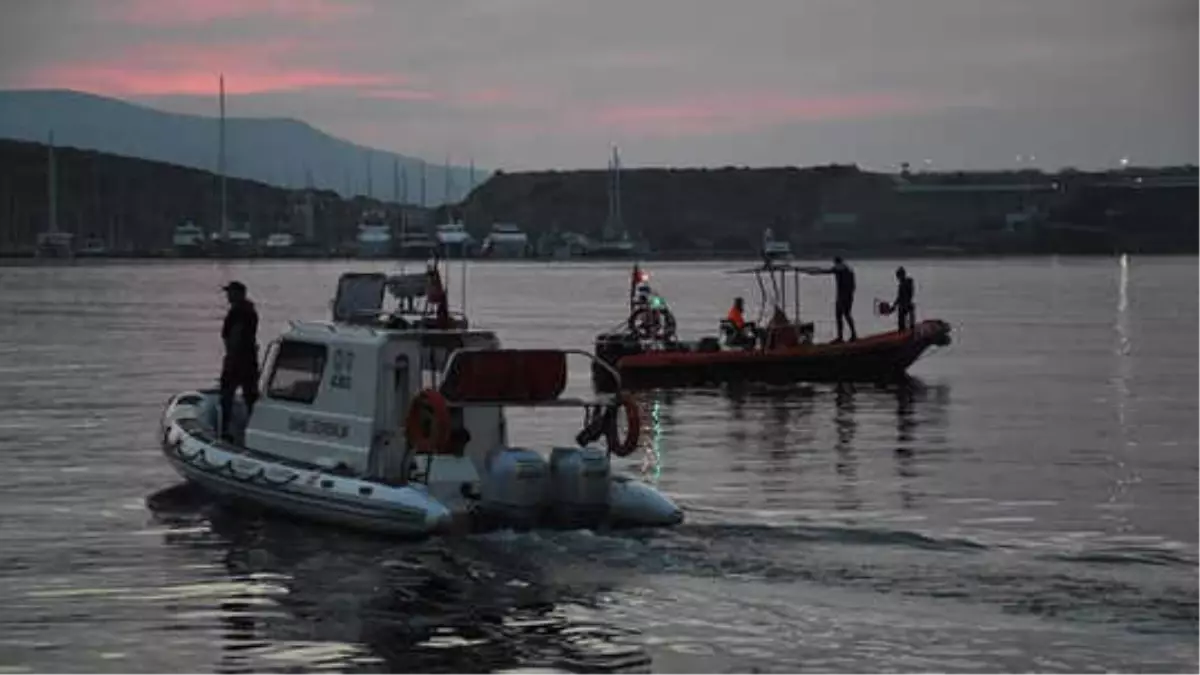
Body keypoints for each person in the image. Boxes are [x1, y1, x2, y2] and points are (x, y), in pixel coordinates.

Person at [219, 281, 260, 441]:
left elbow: (235, 336)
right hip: (250, 358)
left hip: (238, 360)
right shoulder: (250, 310)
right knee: (250, 395)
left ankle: (225, 431)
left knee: (227, 395)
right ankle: (253, 428)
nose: (227, 296)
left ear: (239, 293)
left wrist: (231, 358)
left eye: (230, 292)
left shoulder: (238, 312)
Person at [818, 257, 857, 342]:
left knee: (843, 315)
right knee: (842, 315)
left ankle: (847, 335)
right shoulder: (849, 269)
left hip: (843, 297)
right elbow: (853, 286)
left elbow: (827, 271)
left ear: (837, 262)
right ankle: (846, 335)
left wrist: (816, 272)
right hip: (847, 296)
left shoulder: (840, 268)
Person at [894, 266, 916, 332]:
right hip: (906, 305)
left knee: (903, 318)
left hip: (906, 305)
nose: (898, 278)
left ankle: (906, 331)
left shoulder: (904, 284)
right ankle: (906, 329)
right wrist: (894, 305)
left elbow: (904, 296)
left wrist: (896, 305)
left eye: (898, 276)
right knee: (904, 319)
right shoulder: (906, 283)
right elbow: (900, 297)